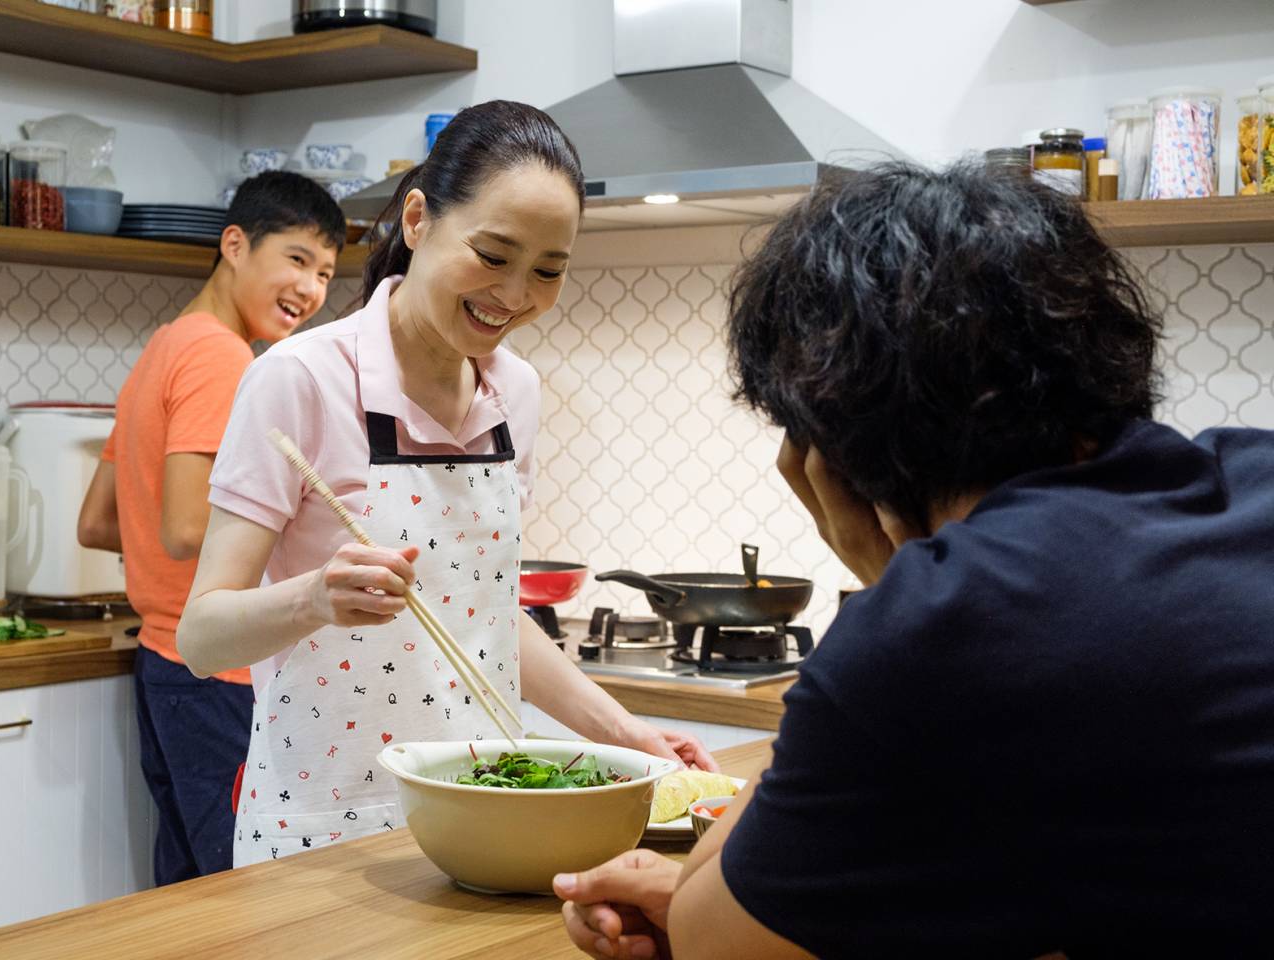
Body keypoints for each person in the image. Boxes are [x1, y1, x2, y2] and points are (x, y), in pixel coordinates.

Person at [556, 162, 1274, 958]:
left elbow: (710, 944)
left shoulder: (938, 623)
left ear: (826, 452)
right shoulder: (1253, 478)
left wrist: (895, 580)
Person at [176, 100, 714, 867]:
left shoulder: (515, 394)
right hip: (324, 828)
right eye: (493, 255)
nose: (516, 295)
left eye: (549, 270)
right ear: (420, 220)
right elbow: (200, 638)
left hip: (483, 817)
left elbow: (484, 614)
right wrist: (314, 599)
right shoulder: (299, 379)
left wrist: (620, 730)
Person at [77, 171, 345, 883]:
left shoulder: (163, 346)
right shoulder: (221, 357)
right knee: (245, 892)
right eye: (296, 259)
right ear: (234, 244)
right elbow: (189, 528)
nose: (312, 289)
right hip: (219, 668)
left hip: (164, 662)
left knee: (189, 889)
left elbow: (100, 522)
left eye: (325, 272)